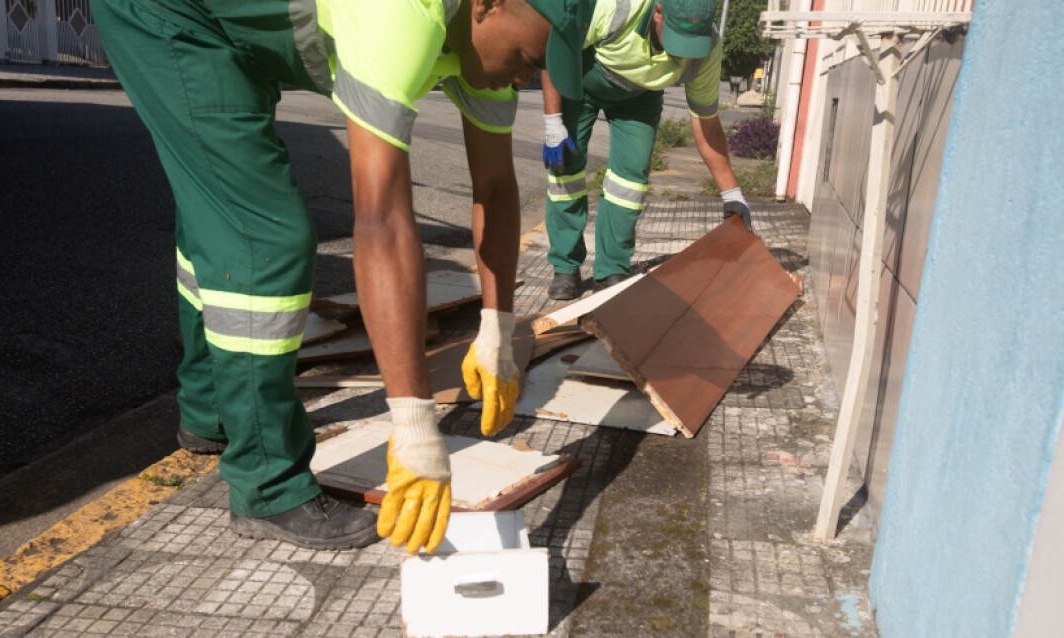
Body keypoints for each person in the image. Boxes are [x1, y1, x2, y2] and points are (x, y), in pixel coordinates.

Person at [91, 0, 591, 555]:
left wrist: (498, 330)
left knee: (222, 211)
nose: (526, 77)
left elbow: (495, 187)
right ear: (486, 4)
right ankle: (268, 484)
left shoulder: (488, 52)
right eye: (528, 56)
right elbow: (381, 222)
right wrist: (415, 430)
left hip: (232, 29)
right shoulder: (398, 16)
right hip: (167, 16)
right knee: (262, 237)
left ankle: (210, 413)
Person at [540, 0, 753, 300]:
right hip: (582, 80)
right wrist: (553, 123)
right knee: (566, 170)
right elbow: (556, 46)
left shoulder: (708, 48)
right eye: (678, 38)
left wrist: (731, 193)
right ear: (657, 11)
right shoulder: (615, 8)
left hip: (639, 98)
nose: (682, 54)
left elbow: (706, 122)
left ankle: (612, 268)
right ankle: (565, 267)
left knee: (629, 180)